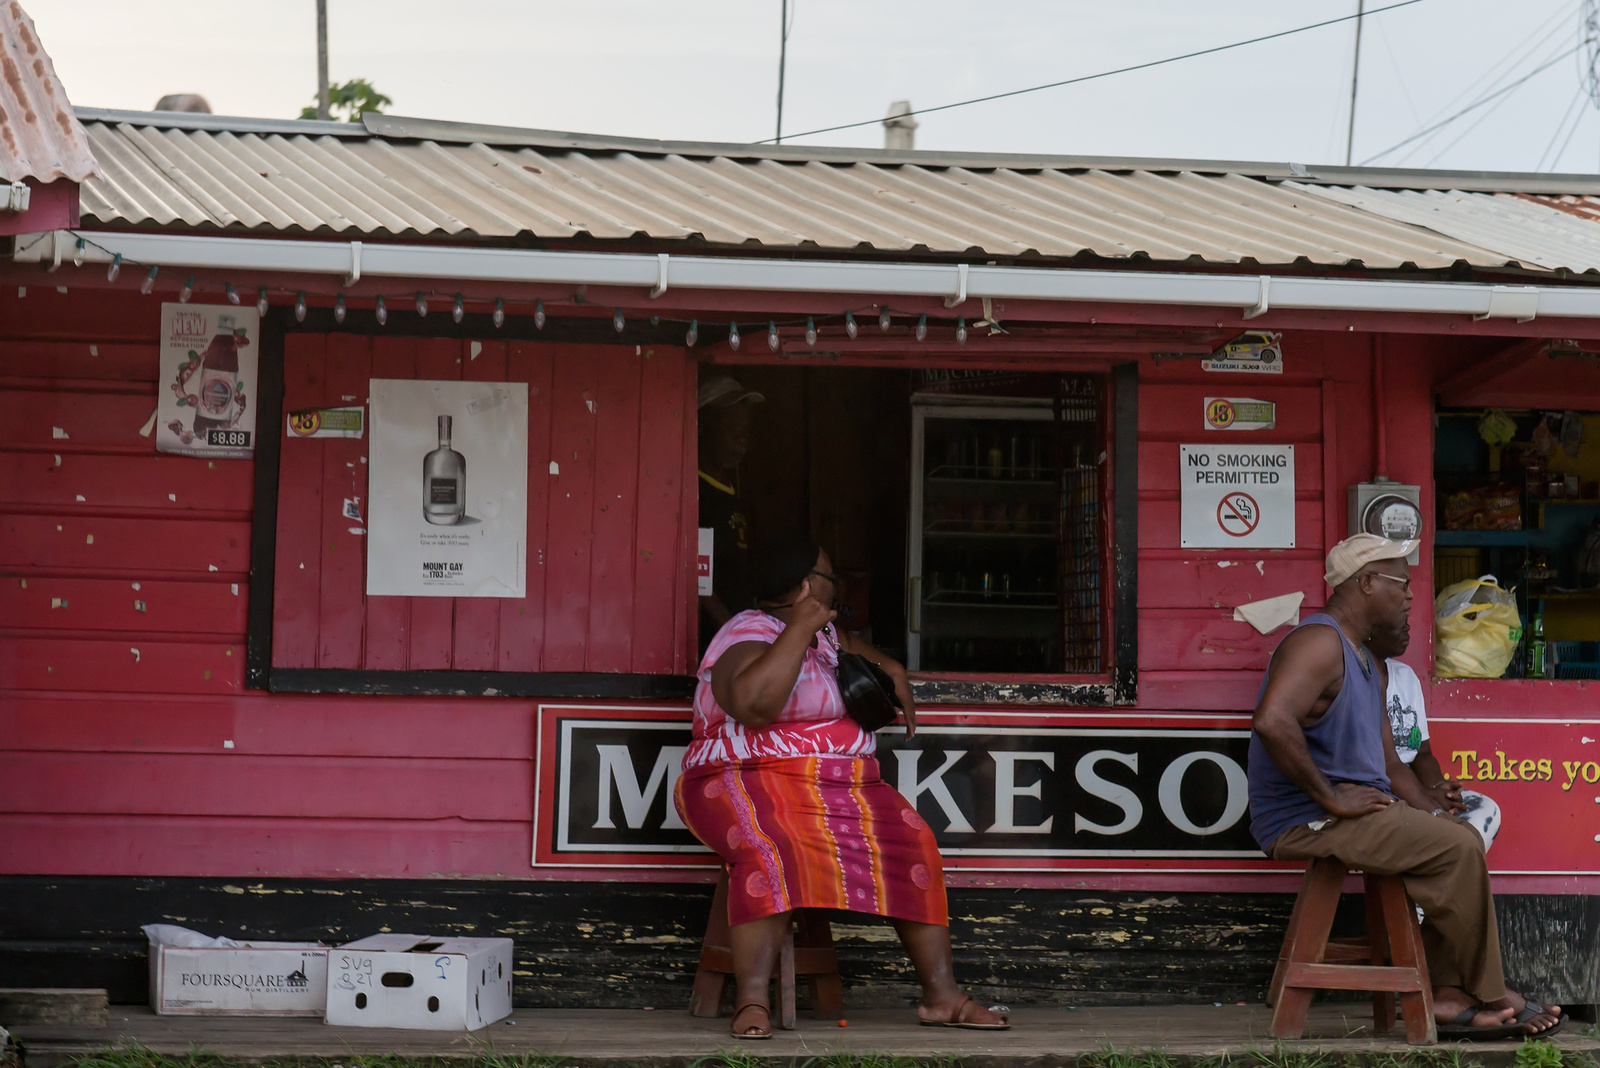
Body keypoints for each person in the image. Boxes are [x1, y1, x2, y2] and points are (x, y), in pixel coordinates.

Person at [675, 531, 1009, 1038]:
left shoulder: (825, 636)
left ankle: (942, 997)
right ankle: (751, 1001)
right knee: (771, 845)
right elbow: (755, 705)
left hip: (839, 785)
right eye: (831, 577)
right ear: (807, 585)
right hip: (743, 779)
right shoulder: (743, 635)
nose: (838, 587)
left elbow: (866, 656)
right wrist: (800, 628)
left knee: (912, 839)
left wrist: (891, 669)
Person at [1248, 533, 1560, 1039]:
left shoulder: (1367, 662)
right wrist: (1330, 796)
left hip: (1355, 810)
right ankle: (1490, 993)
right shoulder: (1318, 641)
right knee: (1457, 849)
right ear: (1366, 583)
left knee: (1452, 836)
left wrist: (1434, 813)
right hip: (1303, 818)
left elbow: (1391, 763)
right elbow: (1271, 720)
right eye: (1402, 584)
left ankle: (1447, 993)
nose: (1412, 596)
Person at [1366, 622, 1501, 852]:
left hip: (1413, 787)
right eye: (1398, 620)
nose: (1407, 628)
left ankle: (1446, 883)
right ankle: (1442, 884)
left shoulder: (1405, 676)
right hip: (1377, 790)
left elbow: (1422, 754)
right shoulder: (1354, 678)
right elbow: (1385, 765)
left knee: (1486, 811)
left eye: (1409, 621)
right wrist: (1426, 801)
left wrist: (1441, 791)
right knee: (1442, 833)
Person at [698, 375, 763, 649]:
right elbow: (699, 580)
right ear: (702, 427)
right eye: (733, 429)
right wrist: (733, 634)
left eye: (745, 430)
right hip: (712, 643)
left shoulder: (730, 487)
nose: (742, 440)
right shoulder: (695, 493)